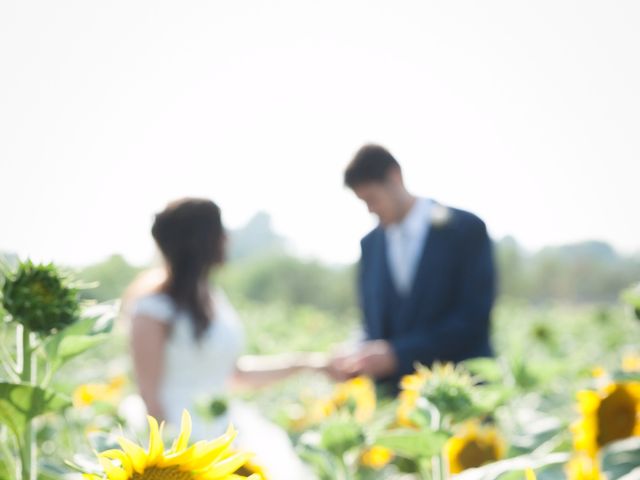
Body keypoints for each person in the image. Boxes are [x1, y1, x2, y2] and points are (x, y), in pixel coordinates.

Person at [123, 197, 317, 478]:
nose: (228, 237)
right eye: (219, 230)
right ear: (199, 240)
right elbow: (149, 393)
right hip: (179, 437)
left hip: (225, 425)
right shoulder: (151, 309)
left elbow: (234, 374)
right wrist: (168, 462)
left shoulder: (213, 298)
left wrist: (305, 363)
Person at [329, 144, 496, 392]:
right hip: (397, 401)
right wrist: (356, 351)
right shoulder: (370, 245)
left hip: (463, 393)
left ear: (395, 177)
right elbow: (372, 322)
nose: (370, 209)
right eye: (363, 202)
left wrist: (398, 354)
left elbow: (473, 318)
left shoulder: (465, 229)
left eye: (372, 199)